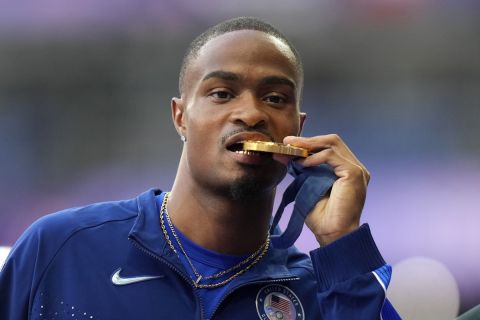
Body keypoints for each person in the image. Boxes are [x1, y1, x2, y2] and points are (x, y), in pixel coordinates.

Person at [0, 17, 401, 320]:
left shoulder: (326, 291)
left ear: (298, 130)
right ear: (180, 117)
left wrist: (342, 243)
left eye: (276, 98)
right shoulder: (60, 249)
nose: (250, 113)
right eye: (222, 93)